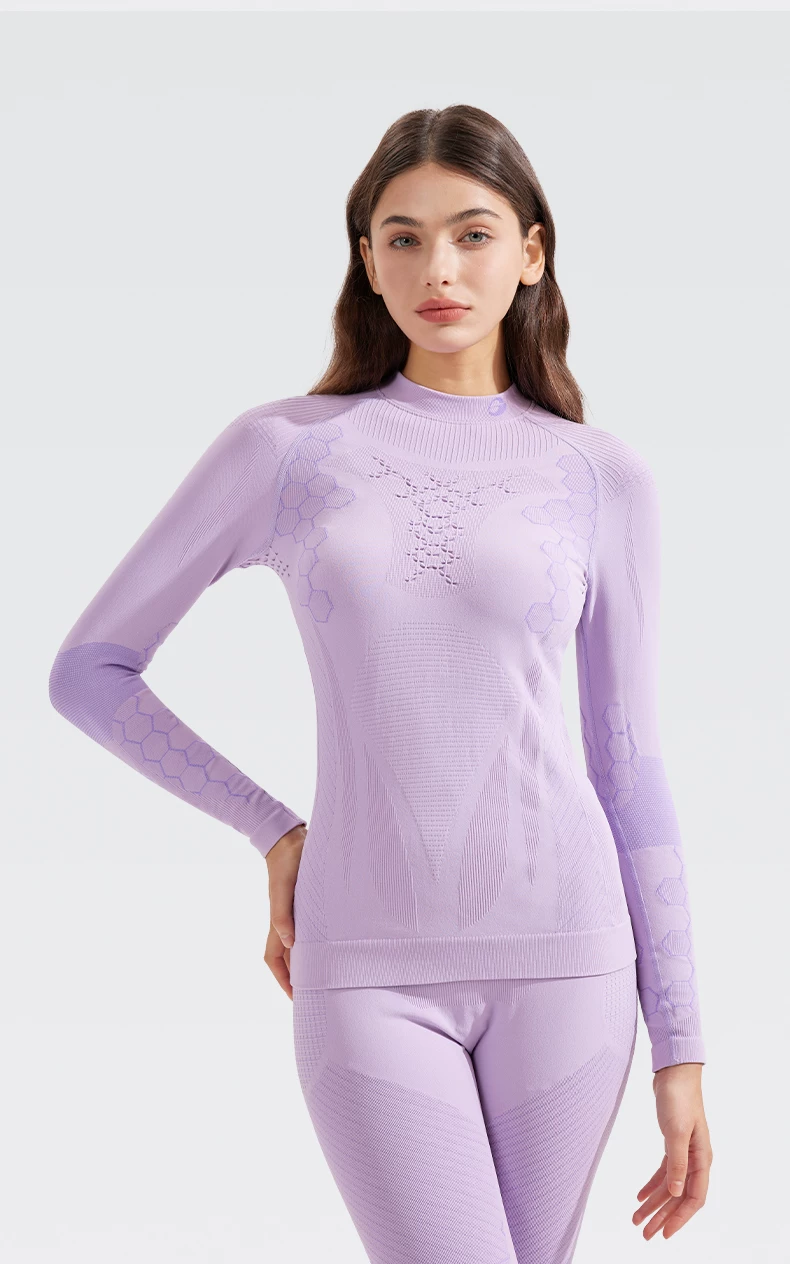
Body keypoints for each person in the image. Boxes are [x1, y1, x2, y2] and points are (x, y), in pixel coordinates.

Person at [48, 102, 712, 1262]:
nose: (437, 269)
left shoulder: (601, 474)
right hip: (364, 970)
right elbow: (90, 671)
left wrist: (681, 1043)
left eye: (472, 233)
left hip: (571, 961)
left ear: (531, 253)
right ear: (366, 259)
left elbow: (628, 764)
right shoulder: (285, 450)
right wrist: (272, 827)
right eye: (403, 238)